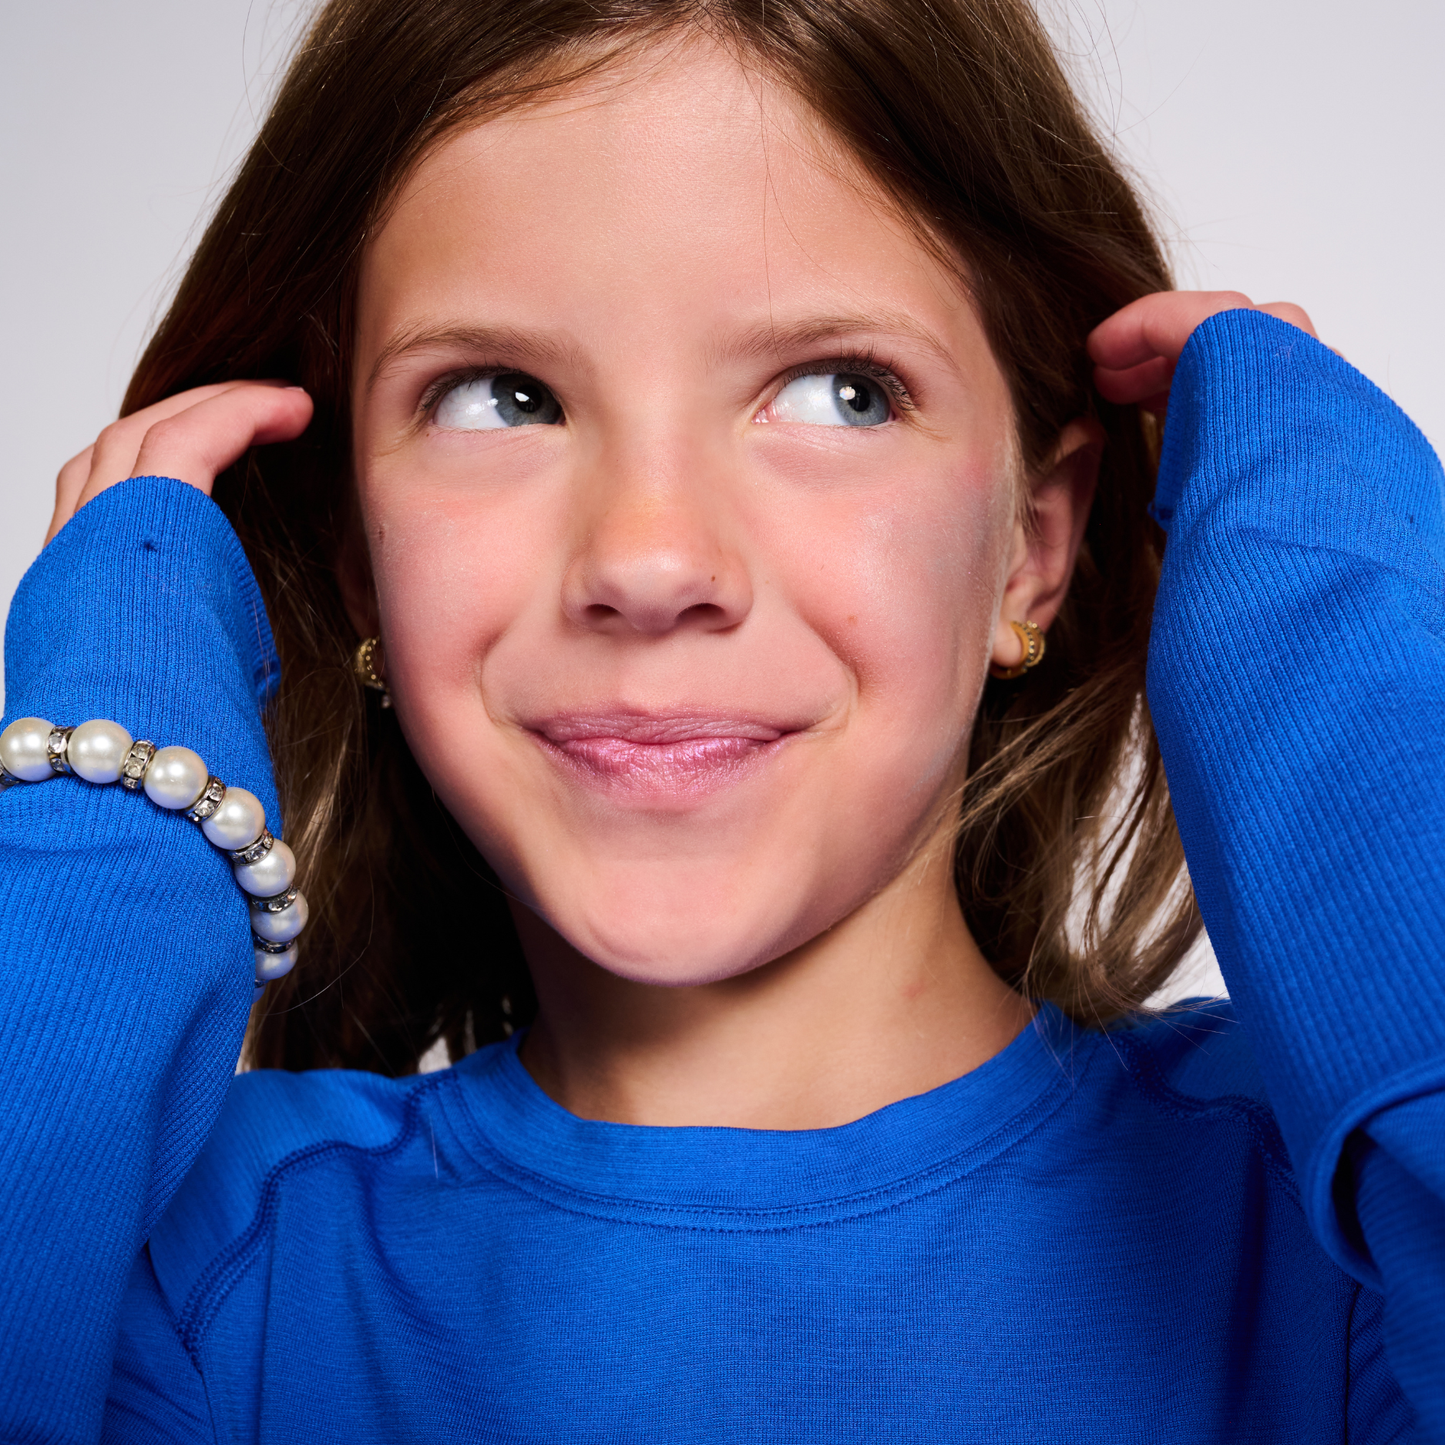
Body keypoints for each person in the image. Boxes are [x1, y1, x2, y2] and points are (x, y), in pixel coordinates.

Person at [0, 0, 1440, 1437]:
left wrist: (1331, 625)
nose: (649, 561)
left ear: (1035, 547)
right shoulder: (208, 1280)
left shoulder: (1338, 1243)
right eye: (500, 399)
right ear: (356, 561)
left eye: (839, 391)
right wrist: (105, 834)